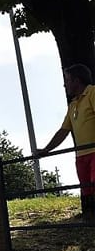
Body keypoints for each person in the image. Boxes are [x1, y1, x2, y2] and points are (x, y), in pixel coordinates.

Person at [38, 63, 95, 223]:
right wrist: (46, 149)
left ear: (77, 80)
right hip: (81, 155)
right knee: (87, 191)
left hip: (94, 152)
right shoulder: (73, 105)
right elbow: (63, 130)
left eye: (67, 80)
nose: (65, 84)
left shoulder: (93, 93)